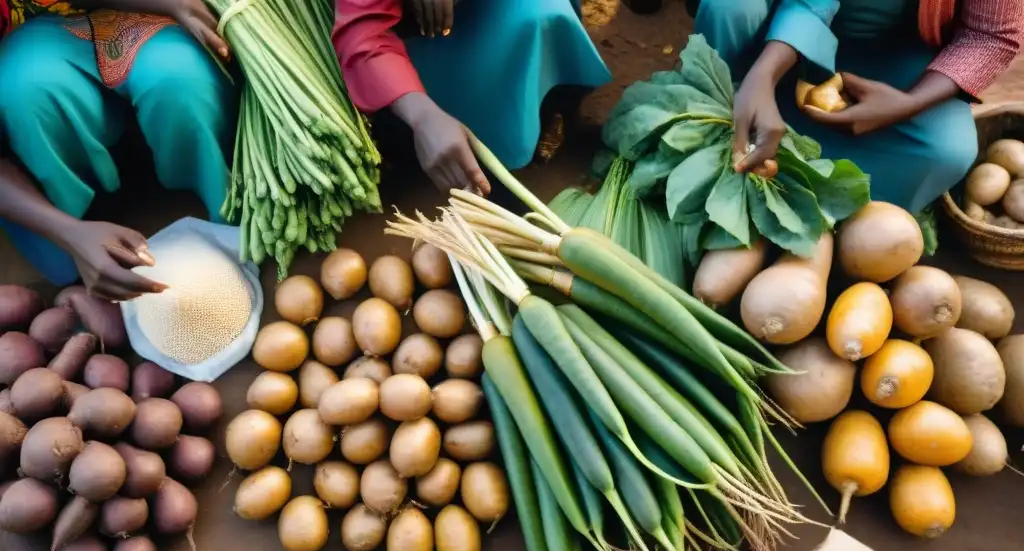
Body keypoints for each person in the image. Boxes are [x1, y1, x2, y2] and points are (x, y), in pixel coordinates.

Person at [687, 0, 1024, 213]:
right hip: (786, 26)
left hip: (898, 53)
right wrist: (765, 71)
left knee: (945, 152)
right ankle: (727, 118)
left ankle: (836, 223)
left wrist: (908, 104)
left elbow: (989, 35)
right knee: (729, 5)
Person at [0, 0, 235, 299]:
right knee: (27, 96)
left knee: (178, 80)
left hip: (149, 8)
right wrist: (69, 234)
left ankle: (223, 210)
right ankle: (84, 233)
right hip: (30, 34)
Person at [333, 0, 611, 196]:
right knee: (412, 130)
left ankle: (547, 104)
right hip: (414, 38)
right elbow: (363, 32)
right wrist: (421, 115)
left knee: (544, 15)